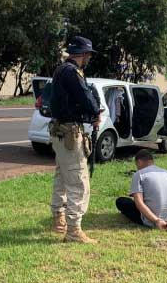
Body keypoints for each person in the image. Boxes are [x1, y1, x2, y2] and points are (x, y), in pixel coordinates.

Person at [48, 36, 101, 244]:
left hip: (60, 131)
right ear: (83, 54)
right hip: (69, 132)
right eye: (88, 54)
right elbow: (84, 96)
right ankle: (73, 230)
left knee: (62, 176)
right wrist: (95, 112)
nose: (89, 58)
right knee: (79, 181)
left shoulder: (61, 70)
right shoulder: (72, 72)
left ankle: (58, 218)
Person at [115, 150, 167, 231]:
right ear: (152, 161)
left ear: (139, 162)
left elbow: (139, 203)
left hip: (151, 220)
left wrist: (156, 220)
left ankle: (153, 219)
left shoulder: (139, 174)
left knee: (121, 201)